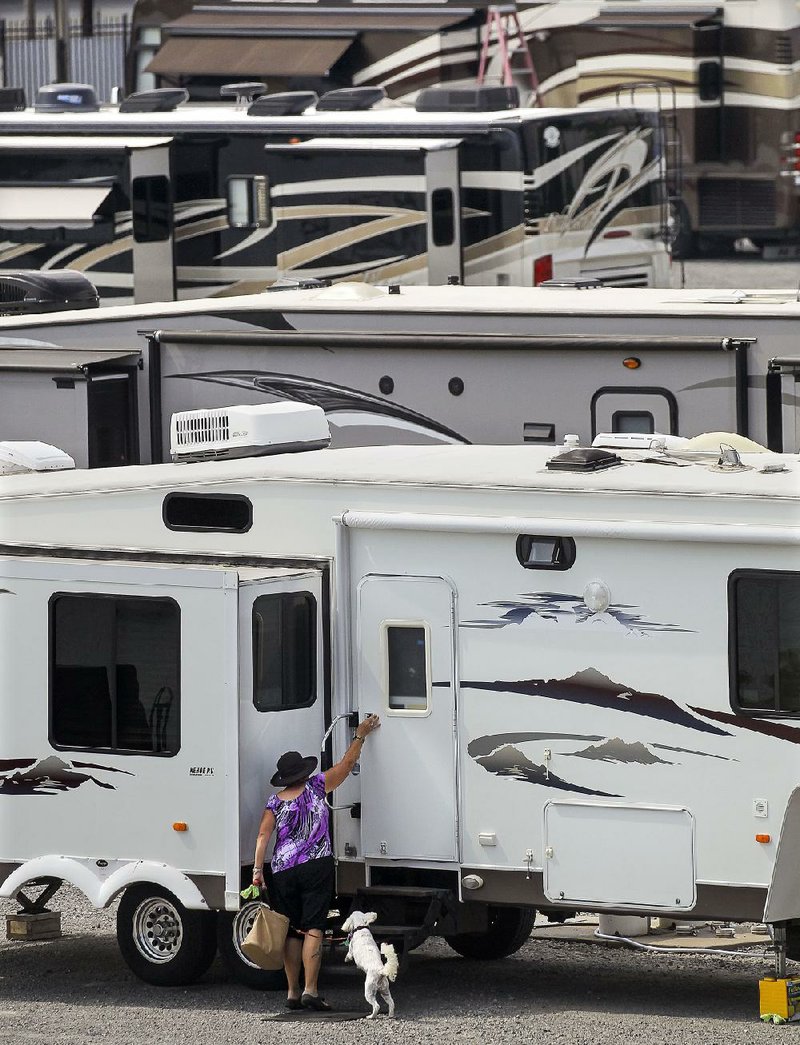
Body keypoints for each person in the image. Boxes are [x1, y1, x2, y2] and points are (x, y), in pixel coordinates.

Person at [252, 713, 381, 1011]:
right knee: (313, 927)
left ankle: (292, 992)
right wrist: (360, 735)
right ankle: (311, 989)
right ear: (303, 772)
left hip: (282, 871)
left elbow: (262, 837)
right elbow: (347, 766)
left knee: (291, 930)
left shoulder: (274, 802)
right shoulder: (317, 786)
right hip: (316, 867)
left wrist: (258, 872)